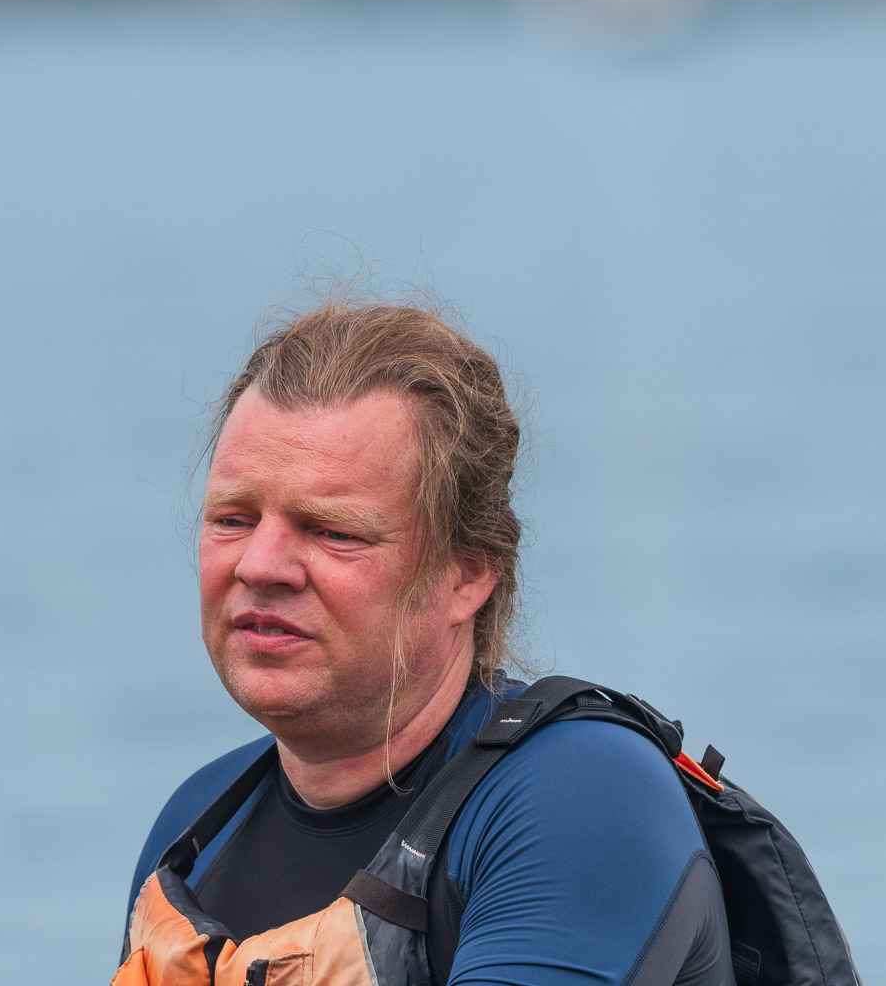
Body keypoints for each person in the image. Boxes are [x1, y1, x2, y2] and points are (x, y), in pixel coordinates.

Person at [117, 298, 732, 986]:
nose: (259, 566)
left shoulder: (581, 796)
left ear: (467, 573)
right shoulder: (192, 835)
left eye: (333, 531)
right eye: (233, 519)